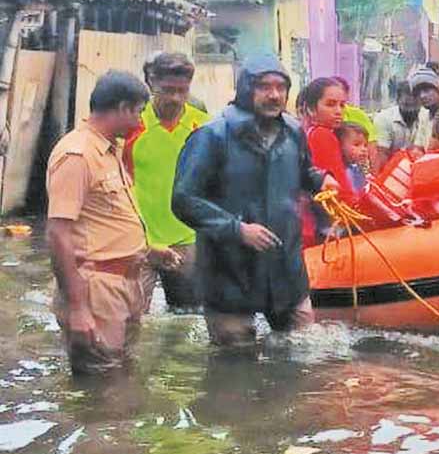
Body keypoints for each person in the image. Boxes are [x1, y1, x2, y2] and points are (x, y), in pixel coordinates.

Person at [171, 54, 339, 346]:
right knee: (234, 366)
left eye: (280, 87)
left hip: (285, 266)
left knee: (302, 352)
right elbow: (184, 199)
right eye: (264, 87)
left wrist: (319, 179)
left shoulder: (293, 132)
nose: (274, 95)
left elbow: (302, 170)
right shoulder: (212, 136)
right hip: (230, 270)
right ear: (246, 89)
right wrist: (236, 229)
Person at [46, 71, 180, 374]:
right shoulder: (77, 154)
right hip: (96, 288)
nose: (140, 122)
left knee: (119, 374)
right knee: (103, 383)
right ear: (122, 108)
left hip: (123, 283)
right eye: (137, 112)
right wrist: (78, 307)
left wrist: (148, 250)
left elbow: (103, 221)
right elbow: (58, 234)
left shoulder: (107, 150)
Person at [124, 52, 210, 312]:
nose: (175, 98)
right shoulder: (131, 126)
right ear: (151, 83)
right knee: (131, 318)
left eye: (182, 91)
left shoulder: (203, 126)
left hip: (188, 240)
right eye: (167, 90)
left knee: (187, 318)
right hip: (140, 241)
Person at [372, 81, 427, 170]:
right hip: (392, 170)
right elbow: (382, 154)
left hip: (421, 169)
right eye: (407, 103)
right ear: (397, 100)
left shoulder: (427, 116)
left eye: (415, 98)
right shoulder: (384, 118)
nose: (411, 100)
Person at [336, 123, 369, 197]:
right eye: (356, 145)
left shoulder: (357, 168)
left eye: (365, 145)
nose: (363, 149)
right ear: (341, 146)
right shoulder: (344, 171)